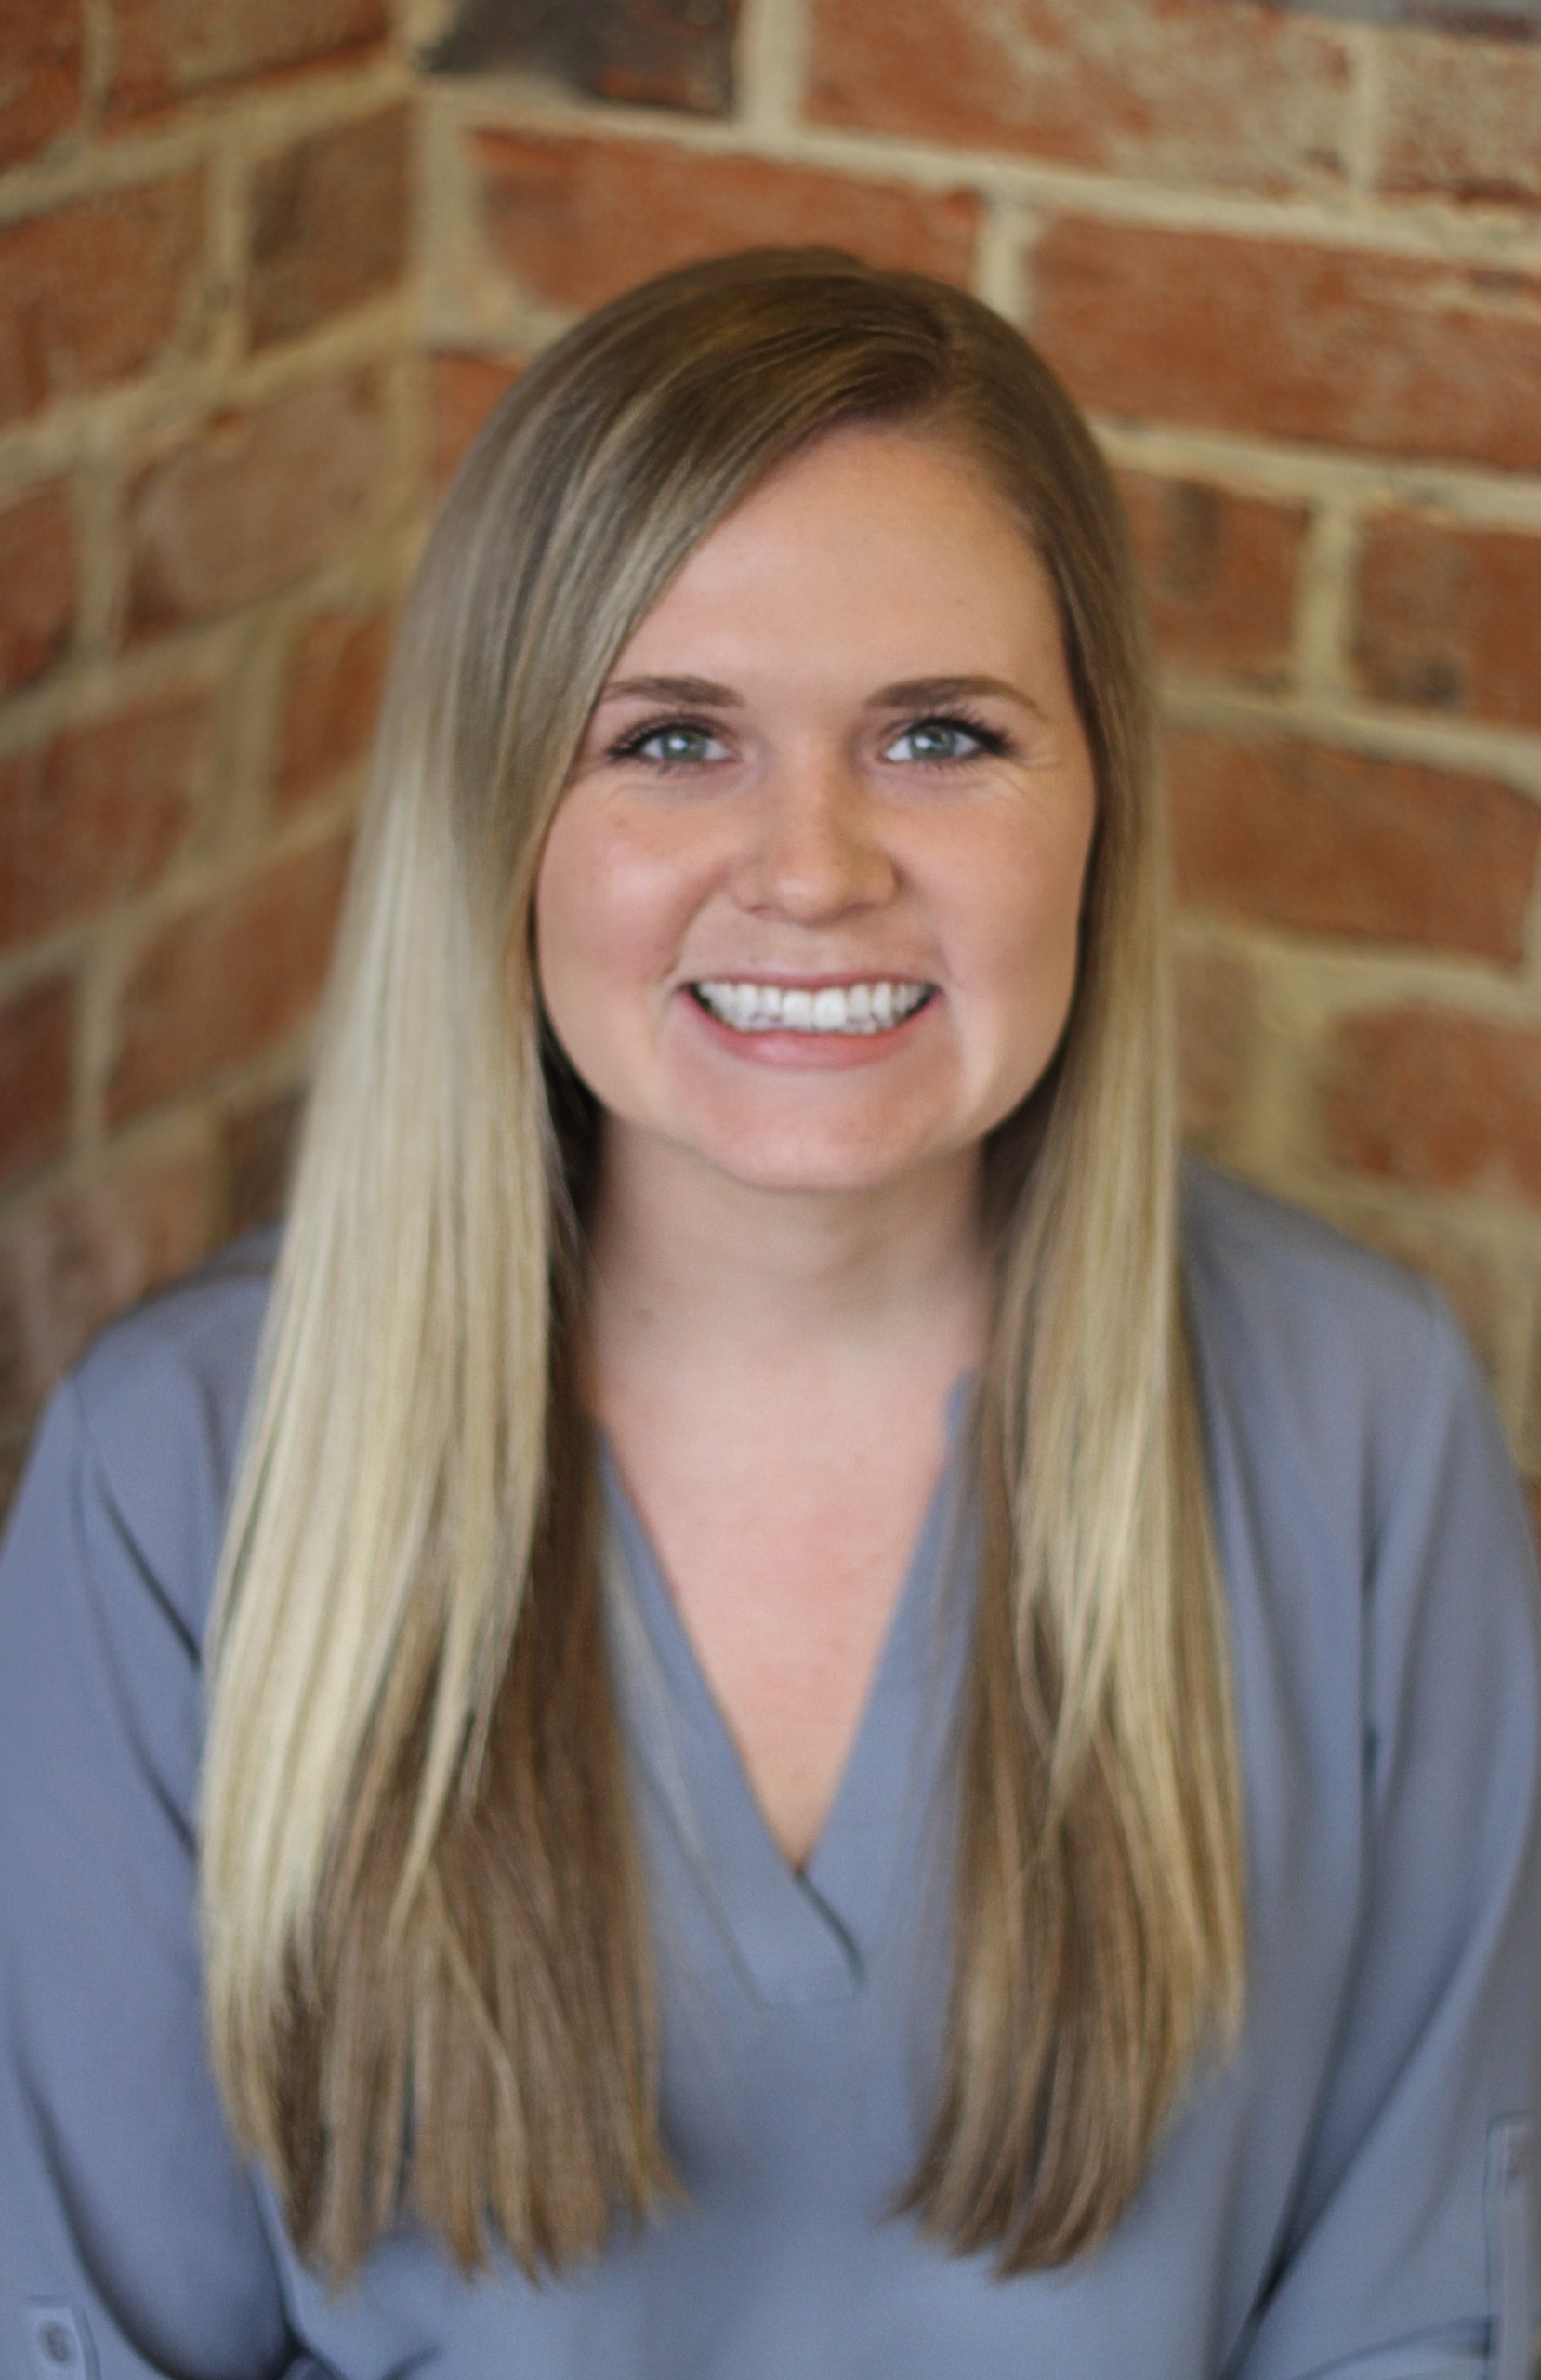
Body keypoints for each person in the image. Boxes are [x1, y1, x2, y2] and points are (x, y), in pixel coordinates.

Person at [1, 248, 1537, 2380]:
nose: (809, 866)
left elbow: (1419, 2324)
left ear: (1096, 801)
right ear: (502, 815)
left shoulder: (1366, 1422)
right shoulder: (172, 1479)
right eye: (672, 737)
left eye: (936, 733)